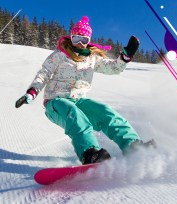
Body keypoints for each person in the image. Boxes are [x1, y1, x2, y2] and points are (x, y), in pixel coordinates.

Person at [16, 16, 155, 165]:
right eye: (76, 39)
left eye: (84, 40)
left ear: (89, 40)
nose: (80, 44)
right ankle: (89, 153)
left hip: (79, 100)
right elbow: (43, 74)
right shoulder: (59, 55)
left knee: (106, 112)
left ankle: (132, 146)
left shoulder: (92, 58)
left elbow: (113, 68)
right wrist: (32, 92)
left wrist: (125, 57)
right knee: (74, 115)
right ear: (71, 38)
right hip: (55, 102)